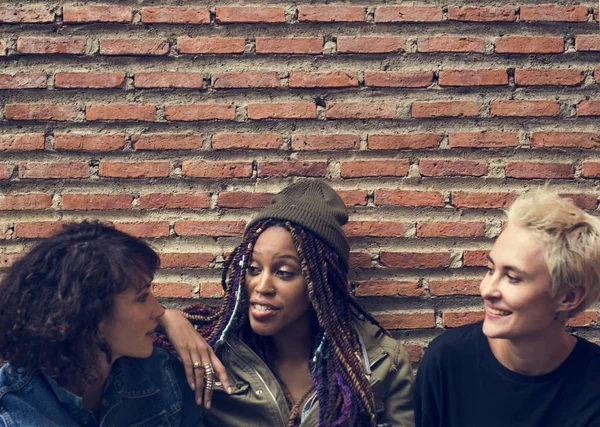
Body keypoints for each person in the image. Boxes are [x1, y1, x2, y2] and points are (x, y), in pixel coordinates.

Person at [161, 180, 415, 426]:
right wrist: (166, 318)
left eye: (283, 272)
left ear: (321, 282)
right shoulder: (214, 350)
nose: (262, 286)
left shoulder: (382, 362)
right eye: (253, 268)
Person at [414, 189, 600, 427]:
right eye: (491, 270)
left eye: (512, 277)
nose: (487, 290)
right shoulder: (447, 360)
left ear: (569, 296)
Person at [0, 221, 206, 426]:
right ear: (92, 312)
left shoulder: (166, 376)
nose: (159, 310)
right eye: (142, 297)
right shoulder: (11, 408)